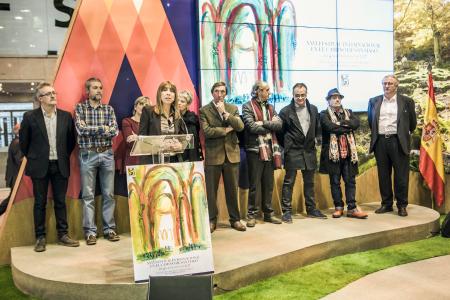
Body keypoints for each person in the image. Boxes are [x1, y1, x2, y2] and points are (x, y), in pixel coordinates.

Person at [19, 82, 79, 252]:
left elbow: (70, 142)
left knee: (60, 201)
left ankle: (63, 235)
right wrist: (35, 157)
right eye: (48, 94)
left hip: (60, 165)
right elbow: (24, 143)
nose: (53, 96)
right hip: (40, 166)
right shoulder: (30, 117)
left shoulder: (66, 116)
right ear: (40, 99)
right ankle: (40, 237)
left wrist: (61, 156)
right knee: (40, 203)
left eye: (54, 92)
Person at [75, 77, 119, 245]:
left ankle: (110, 229)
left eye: (101, 87)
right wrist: (103, 129)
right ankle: (90, 232)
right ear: (88, 91)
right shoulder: (79, 108)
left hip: (107, 154)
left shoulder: (108, 109)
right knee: (88, 195)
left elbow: (114, 131)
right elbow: (81, 129)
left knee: (109, 194)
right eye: (95, 87)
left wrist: (96, 129)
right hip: (88, 154)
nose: (99, 90)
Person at [199, 81, 246, 233]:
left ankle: (235, 219)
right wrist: (226, 130)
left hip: (232, 154)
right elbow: (207, 131)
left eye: (223, 92)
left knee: (232, 189)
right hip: (214, 155)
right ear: (212, 93)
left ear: (226, 93)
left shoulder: (232, 108)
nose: (220, 94)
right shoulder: (204, 110)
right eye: (217, 91)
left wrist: (225, 114)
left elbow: (240, 127)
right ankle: (212, 220)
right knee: (211, 191)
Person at [368, 75, 417, 217]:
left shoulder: (407, 101)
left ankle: (402, 205)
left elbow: (412, 123)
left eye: (390, 83)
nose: (386, 86)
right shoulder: (374, 101)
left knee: (401, 176)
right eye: (384, 83)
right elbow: (372, 122)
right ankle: (386, 204)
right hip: (381, 142)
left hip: (398, 141)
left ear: (396, 86)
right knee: (383, 175)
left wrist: (401, 134)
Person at [278, 83, 326, 223]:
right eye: (297, 95)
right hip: (293, 150)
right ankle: (286, 212)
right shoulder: (285, 111)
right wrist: (287, 145)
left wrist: (317, 139)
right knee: (289, 182)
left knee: (309, 182)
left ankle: (311, 209)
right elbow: (280, 133)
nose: (300, 98)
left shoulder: (313, 109)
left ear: (306, 94)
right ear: (293, 95)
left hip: (309, 150)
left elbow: (317, 127)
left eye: (302, 95)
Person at [319, 88, 368, 219]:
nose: (337, 99)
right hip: (333, 155)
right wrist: (346, 126)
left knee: (350, 181)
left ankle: (352, 208)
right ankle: (338, 207)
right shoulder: (323, 114)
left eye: (339, 97)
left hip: (348, 154)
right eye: (334, 97)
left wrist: (341, 123)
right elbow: (329, 127)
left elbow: (355, 123)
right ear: (328, 100)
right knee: (335, 182)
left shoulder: (348, 112)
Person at [242, 81, 282, 227]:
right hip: (255, 150)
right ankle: (251, 215)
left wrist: (262, 122)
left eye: (269, 90)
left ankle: (268, 214)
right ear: (257, 91)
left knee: (268, 184)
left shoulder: (271, 107)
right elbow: (251, 127)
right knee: (254, 185)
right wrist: (268, 125)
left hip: (270, 149)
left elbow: (278, 125)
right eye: (265, 90)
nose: (268, 92)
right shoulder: (247, 106)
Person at [139, 81, 186, 163]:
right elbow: (142, 138)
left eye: (172, 91)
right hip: (154, 160)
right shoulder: (148, 111)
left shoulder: (178, 113)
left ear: (175, 96)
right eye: (165, 90)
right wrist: (159, 145)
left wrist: (181, 145)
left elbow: (183, 137)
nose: (168, 93)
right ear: (159, 94)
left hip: (174, 160)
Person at [0, 123, 23, 216]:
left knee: (12, 199)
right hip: (16, 177)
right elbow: (20, 160)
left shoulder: (15, 141)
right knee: (11, 199)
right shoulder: (18, 143)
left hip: (14, 177)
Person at [122, 96, 150, 168]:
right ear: (135, 107)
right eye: (141, 104)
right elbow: (131, 143)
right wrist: (147, 140)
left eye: (146, 105)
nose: (143, 107)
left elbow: (153, 143)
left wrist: (138, 138)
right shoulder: (127, 121)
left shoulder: (151, 124)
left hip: (148, 161)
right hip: (133, 161)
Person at [178, 90, 204, 161]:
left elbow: (194, 139)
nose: (179, 103)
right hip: (176, 154)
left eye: (182, 101)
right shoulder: (171, 117)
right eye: (177, 101)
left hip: (190, 154)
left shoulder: (192, 118)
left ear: (188, 104)